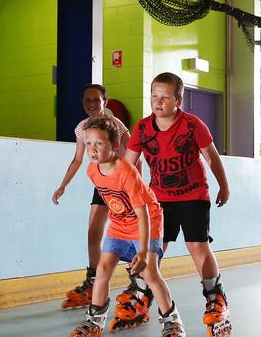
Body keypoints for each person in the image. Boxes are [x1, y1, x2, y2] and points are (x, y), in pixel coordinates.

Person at [124, 72, 232, 337]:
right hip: (158, 199)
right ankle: (144, 293)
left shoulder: (193, 125)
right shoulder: (142, 128)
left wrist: (224, 185)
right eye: (154, 96)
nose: (158, 102)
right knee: (153, 249)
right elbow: (128, 165)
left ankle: (214, 296)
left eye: (165, 97)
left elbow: (212, 157)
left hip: (194, 195)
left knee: (197, 245)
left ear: (178, 100)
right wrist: (126, 195)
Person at [69, 116, 185, 337]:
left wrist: (142, 252)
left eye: (99, 144)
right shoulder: (92, 170)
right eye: (89, 144)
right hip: (120, 224)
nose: (92, 149)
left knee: (150, 273)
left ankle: (172, 322)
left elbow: (142, 213)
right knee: (102, 269)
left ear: (115, 146)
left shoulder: (126, 172)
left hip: (147, 220)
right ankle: (94, 322)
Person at [52, 84, 151, 318]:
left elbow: (134, 153)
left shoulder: (115, 125)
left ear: (105, 101)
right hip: (103, 184)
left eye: (96, 100)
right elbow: (78, 160)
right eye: (88, 101)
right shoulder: (81, 128)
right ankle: (92, 279)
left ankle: (138, 282)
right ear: (82, 103)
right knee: (93, 232)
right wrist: (63, 184)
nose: (92, 105)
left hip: (123, 182)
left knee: (128, 231)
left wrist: (136, 183)